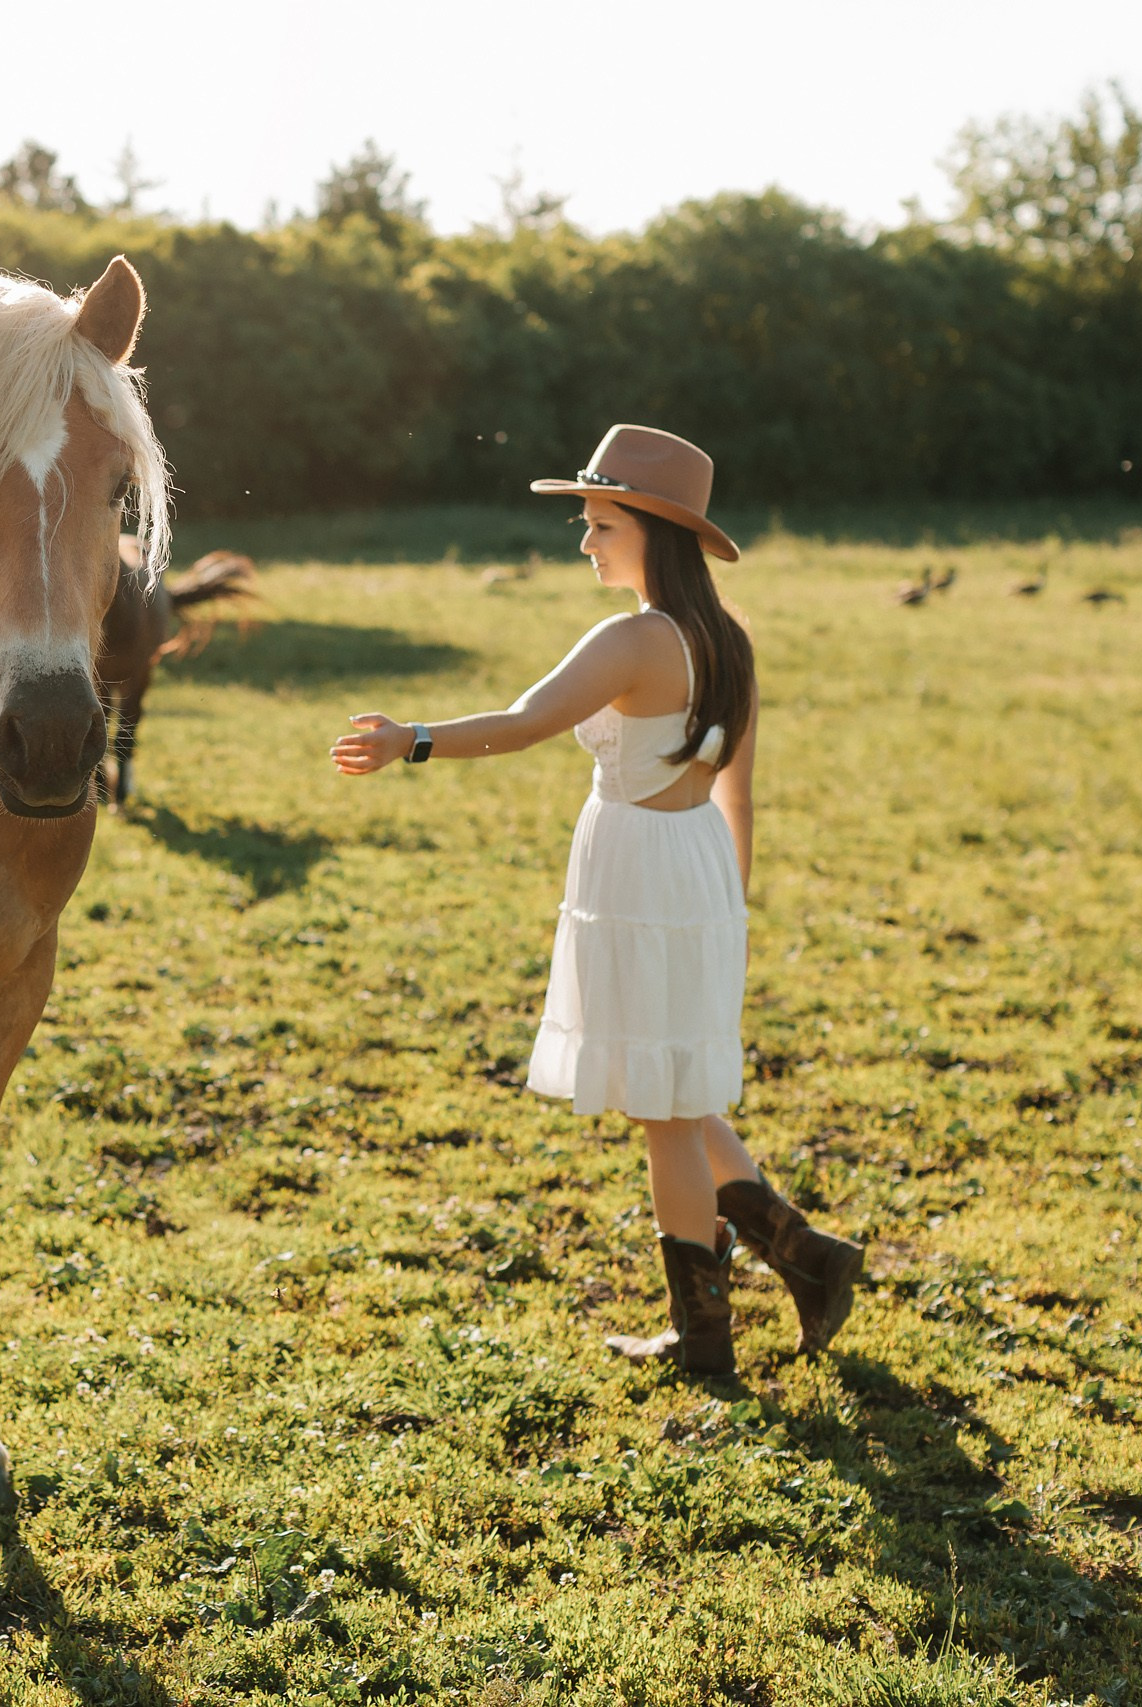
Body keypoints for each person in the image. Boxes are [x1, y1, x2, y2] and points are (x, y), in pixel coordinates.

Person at [329, 424, 862, 1374]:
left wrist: (412, 738)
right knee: (681, 1084)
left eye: (601, 522)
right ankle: (806, 1256)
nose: (586, 541)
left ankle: (706, 1345)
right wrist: (726, 910)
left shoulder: (632, 639)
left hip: (644, 872)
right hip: (697, 869)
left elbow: (525, 722)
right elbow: (738, 790)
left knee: (666, 1109)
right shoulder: (728, 638)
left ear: (653, 530)